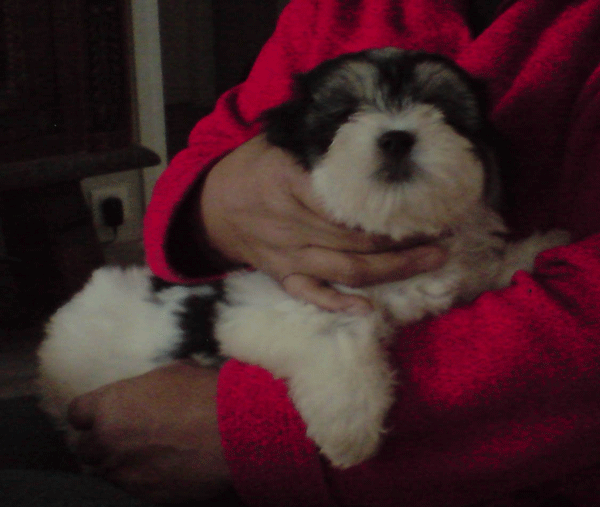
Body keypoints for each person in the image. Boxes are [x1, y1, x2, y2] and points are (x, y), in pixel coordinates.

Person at [67, 0, 600, 505]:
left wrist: (252, 428)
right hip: (176, 367)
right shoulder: (332, 10)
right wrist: (219, 200)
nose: (395, 132)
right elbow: (216, 145)